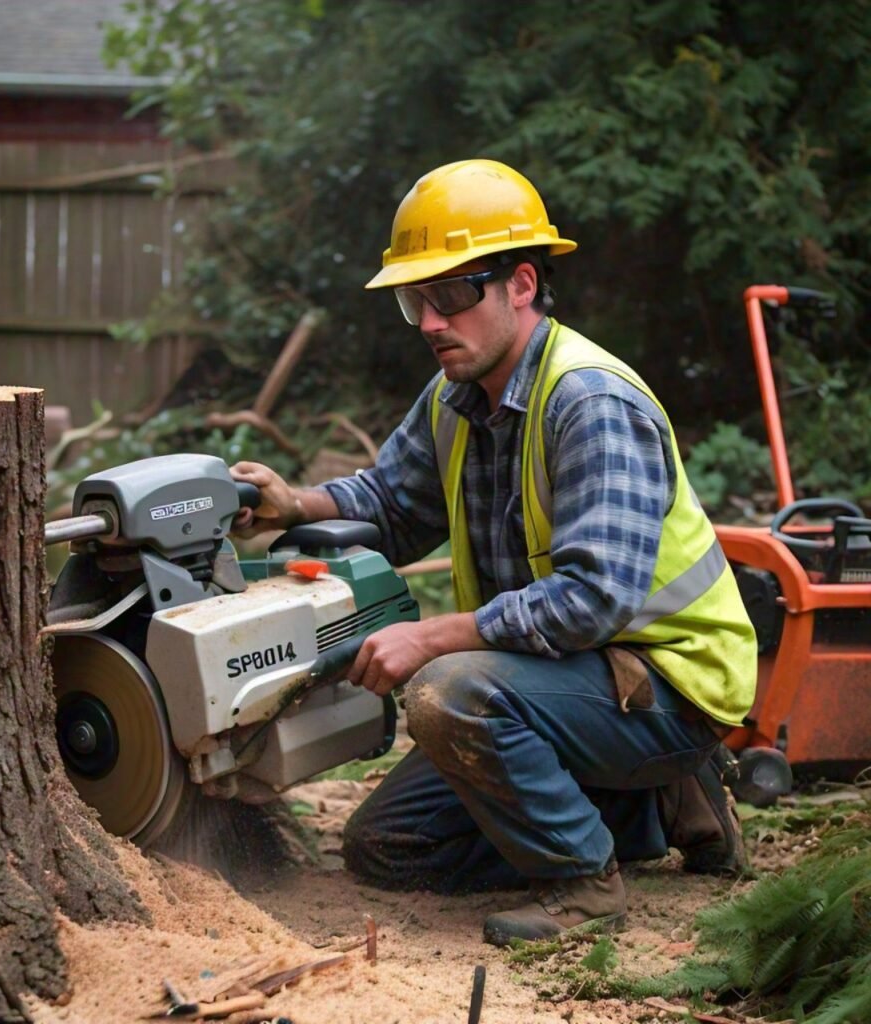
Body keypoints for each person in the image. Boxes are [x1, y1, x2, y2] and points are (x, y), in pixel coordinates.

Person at [231, 158, 757, 945]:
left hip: (666, 684)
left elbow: (591, 601)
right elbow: (391, 504)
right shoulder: (456, 396)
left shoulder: (590, 402)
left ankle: (584, 880)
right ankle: (654, 804)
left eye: (452, 294)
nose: (434, 321)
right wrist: (292, 504)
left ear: (520, 284)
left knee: (448, 692)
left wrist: (431, 636)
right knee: (386, 847)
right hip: (562, 683)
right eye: (417, 301)